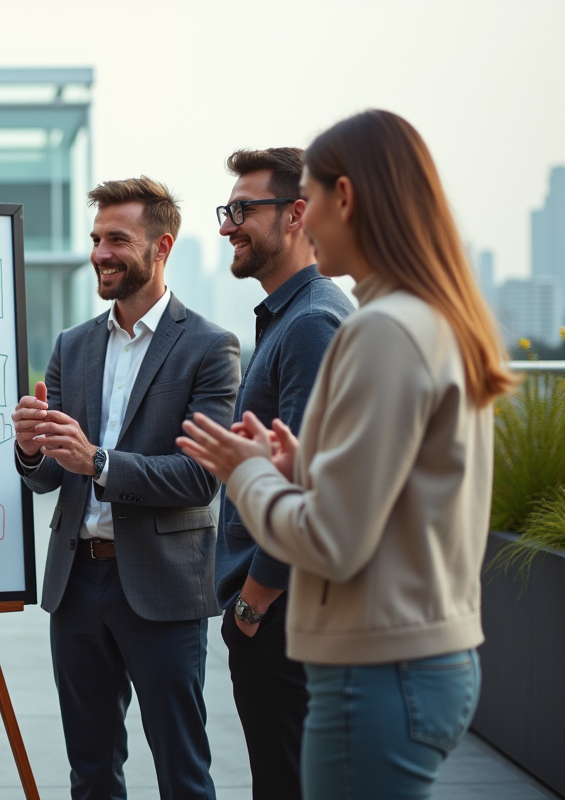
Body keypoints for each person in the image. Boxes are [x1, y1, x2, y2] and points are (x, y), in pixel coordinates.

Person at [178, 110, 515, 800]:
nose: (308, 219)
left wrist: (246, 476)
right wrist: (301, 470)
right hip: (413, 659)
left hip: (377, 668)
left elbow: (332, 538)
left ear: (344, 199)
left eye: (312, 199)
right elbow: (395, 494)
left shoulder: (375, 329)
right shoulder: (423, 319)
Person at [11, 176, 240, 799]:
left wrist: (99, 462)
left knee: (182, 774)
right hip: (77, 585)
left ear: (161, 247)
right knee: (90, 774)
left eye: (117, 239)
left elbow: (200, 478)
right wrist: (31, 449)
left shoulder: (210, 347)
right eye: (96, 239)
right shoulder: (73, 346)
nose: (100, 253)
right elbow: (51, 476)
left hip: (162, 589)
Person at [213, 147, 354, 800]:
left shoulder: (310, 323)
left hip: (284, 616)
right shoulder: (289, 318)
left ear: (296, 215)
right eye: (226, 211)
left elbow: (307, 483)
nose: (228, 226)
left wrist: (253, 604)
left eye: (242, 210)